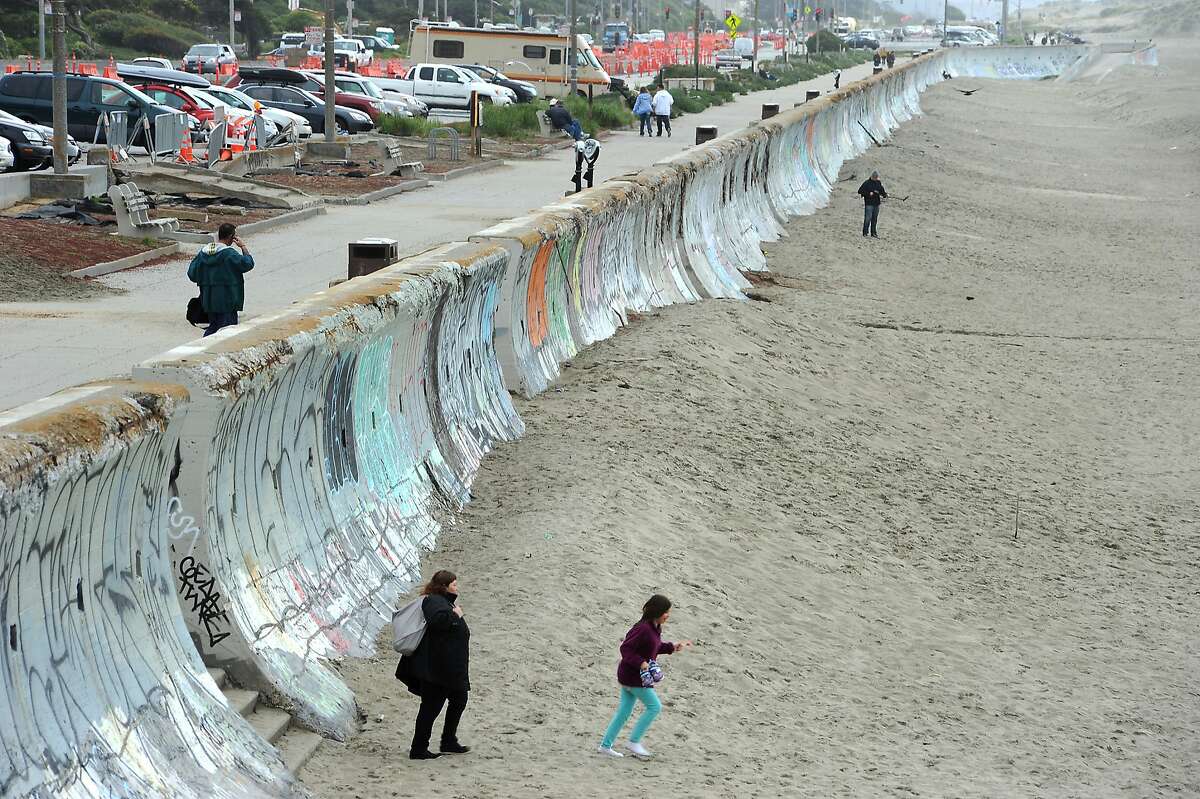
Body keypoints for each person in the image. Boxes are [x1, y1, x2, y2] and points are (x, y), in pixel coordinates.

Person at [598, 594, 693, 759]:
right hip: (634, 677)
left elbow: (654, 647)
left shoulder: (654, 627)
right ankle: (633, 742)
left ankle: (606, 746)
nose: (667, 615)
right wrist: (641, 662)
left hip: (630, 675)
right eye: (666, 612)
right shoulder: (643, 628)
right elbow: (625, 649)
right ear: (657, 611)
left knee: (624, 712)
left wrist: (672, 647)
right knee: (655, 707)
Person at [395, 570, 472, 760]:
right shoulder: (434, 601)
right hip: (438, 668)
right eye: (454, 584)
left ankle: (448, 741)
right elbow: (437, 621)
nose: (457, 587)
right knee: (430, 707)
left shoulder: (441, 600)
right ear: (444, 586)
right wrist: (457, 616)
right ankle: (419, 748)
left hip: (450, 668)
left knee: (459, 699)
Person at [187, 222, 253, 337]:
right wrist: (243, 247)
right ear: (231, 237)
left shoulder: (203, 253)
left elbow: (192, 274)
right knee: (228, 331)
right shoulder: (229, 254)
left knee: (213, 327)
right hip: (228, 300)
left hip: (208, 299)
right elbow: (248, 264)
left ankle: (204, 348)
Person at [857, 170, 888, 238]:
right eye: (874, 177)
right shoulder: (866, 183)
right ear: (871, 177)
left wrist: (884, 194)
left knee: (874, 219)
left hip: (876, 204)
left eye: (876, 177)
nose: (875, 178)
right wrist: (868, 193)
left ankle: (873, 233)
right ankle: (865, 233)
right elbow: (860, 191)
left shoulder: (878, 183)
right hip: (869, 204)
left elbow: (881, 190)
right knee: (868, 218)